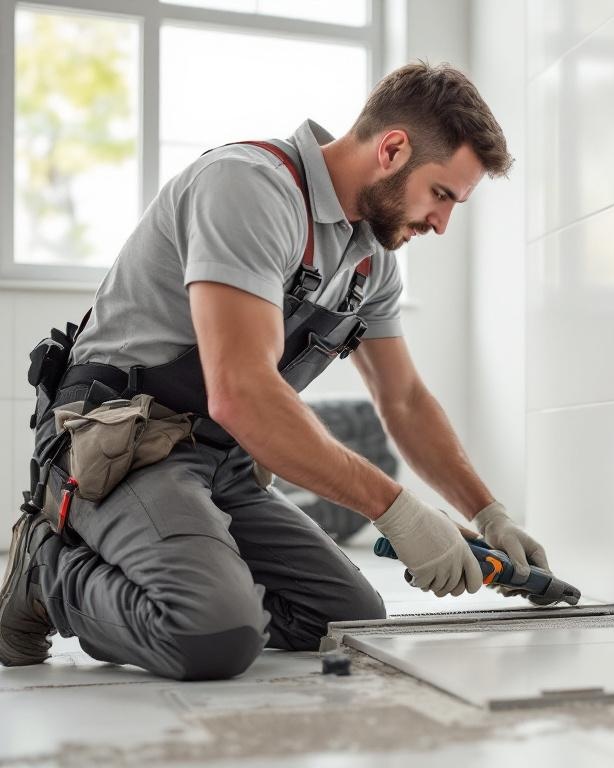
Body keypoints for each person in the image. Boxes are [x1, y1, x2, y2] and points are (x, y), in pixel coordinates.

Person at [0, 62, 549, 681]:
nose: (442, 223)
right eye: (441, 195)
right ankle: (45, 572)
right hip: (123, 445)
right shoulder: (248, 188)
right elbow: (242, 394)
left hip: (220, 461)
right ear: (393, 149)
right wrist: (396, 511)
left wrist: (488, 513)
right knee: (211, 633)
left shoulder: (371, 260)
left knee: (346, 621)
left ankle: (180, 575)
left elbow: (404, 400)